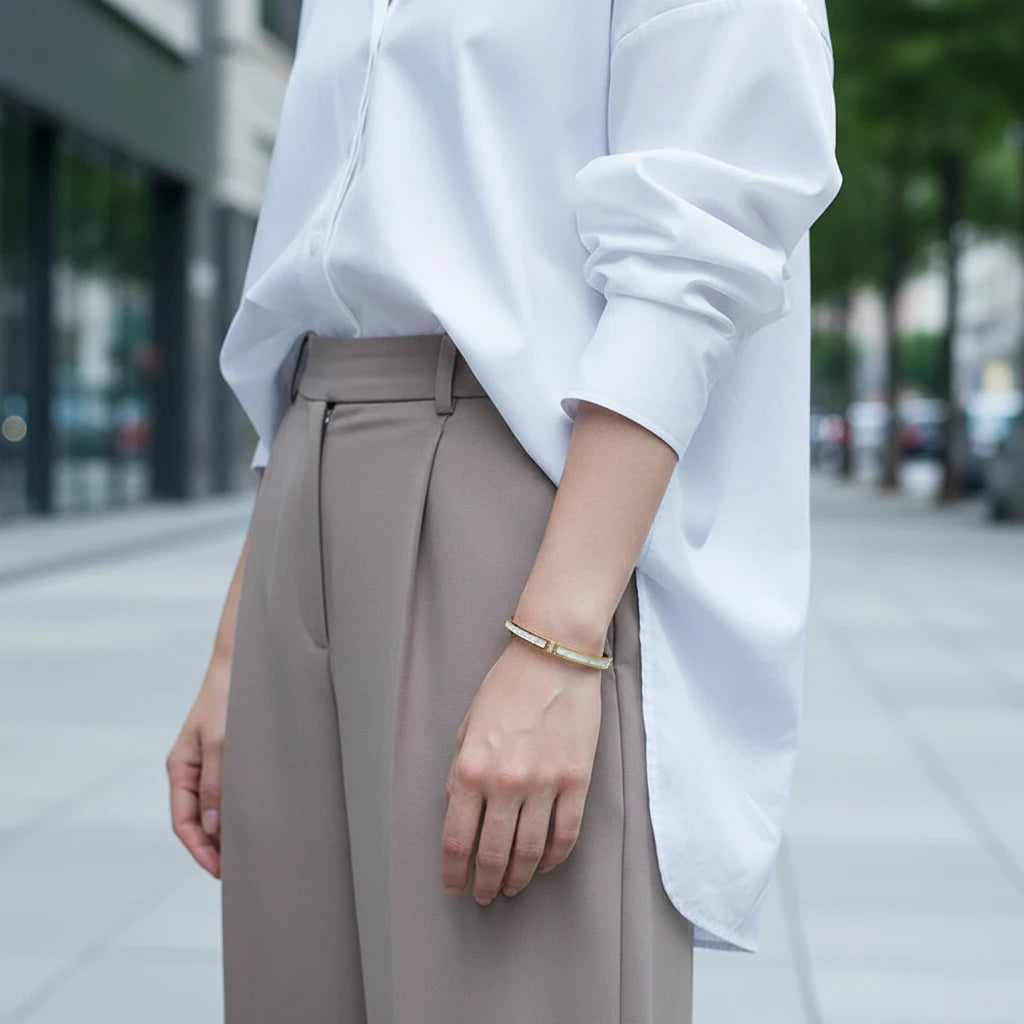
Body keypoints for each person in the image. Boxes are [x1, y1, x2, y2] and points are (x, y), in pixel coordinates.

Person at [166, 0, 842, 1020]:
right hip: (308, 466)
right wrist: (233, 646)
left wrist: (558, 644)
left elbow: (698, 251)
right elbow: (312, 267)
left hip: (524, 494)